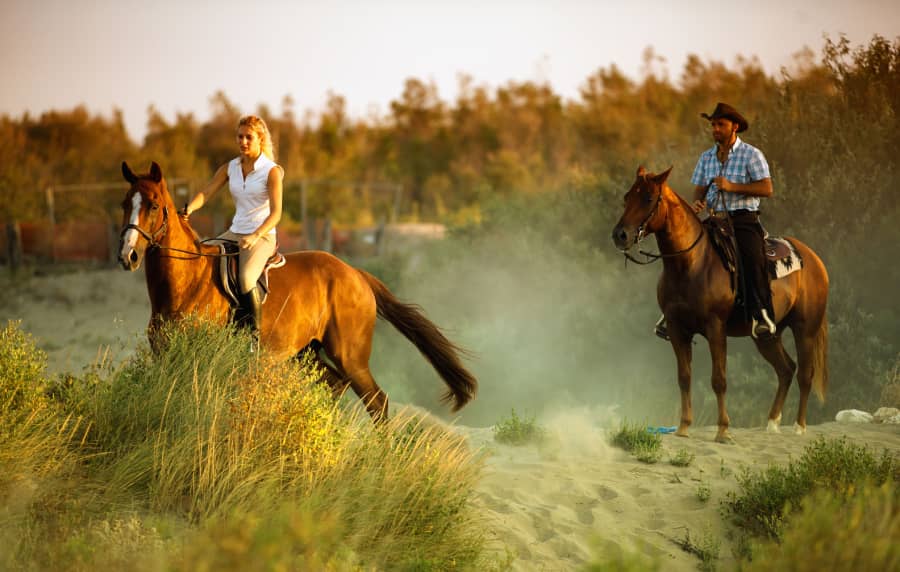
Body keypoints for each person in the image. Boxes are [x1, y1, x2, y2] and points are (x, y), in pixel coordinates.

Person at [655, 102, 776, 340]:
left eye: (720, 124)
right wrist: (698, 202)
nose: (715, 129)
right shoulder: (707, 157)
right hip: (713, 218)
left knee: (752, 256)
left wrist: (732, 187)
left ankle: (762, 313)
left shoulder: (751, 154)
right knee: (684, 252)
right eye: (713, 125)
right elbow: (699, 188)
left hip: (743, 219)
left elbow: (767, 188)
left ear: (735, 127)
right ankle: (673, 310)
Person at [182, 115, 283, 340]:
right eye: (240, 136)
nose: (243, 141)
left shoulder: (271, 171)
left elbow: (276, 214)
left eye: (249, 137)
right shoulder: (231, 167)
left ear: (260, 139)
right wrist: (189, 209)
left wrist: (256, 236)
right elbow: (207, 192)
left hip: (262, 235)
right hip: (235, 231)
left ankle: (253, 336)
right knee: (202, 253)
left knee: (246, 278)